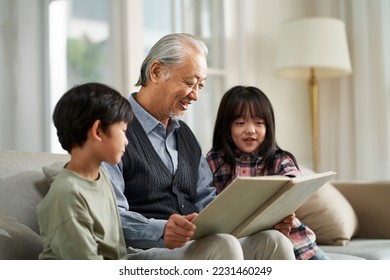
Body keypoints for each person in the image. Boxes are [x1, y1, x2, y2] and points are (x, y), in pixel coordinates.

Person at [102, 33, 296, 260]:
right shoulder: (114, 130)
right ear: (156, 72)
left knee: (273, 242)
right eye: (189, 82)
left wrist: (260, 220)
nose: (195, 95)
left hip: (193, 245)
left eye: (200, 86)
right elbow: (110, 214)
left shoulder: (184, 135)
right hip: (141, 251)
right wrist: (162, 230)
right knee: (222, 246)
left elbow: (206, 200)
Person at [206, 85, 330, 260]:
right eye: (240, 123)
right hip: (249, 247)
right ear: (226, 126)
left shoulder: (279, 159)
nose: (250, 130)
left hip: (299, 245)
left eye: (259, 123)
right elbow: (206, 203)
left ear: (268, 126)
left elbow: (296, 181)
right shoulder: (215, 161)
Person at [36, 82, 133, 259]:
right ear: (98, 131)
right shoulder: (67, 194)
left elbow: (117, 251)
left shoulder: (101, 175)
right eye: (123, 130)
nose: (126, 141)